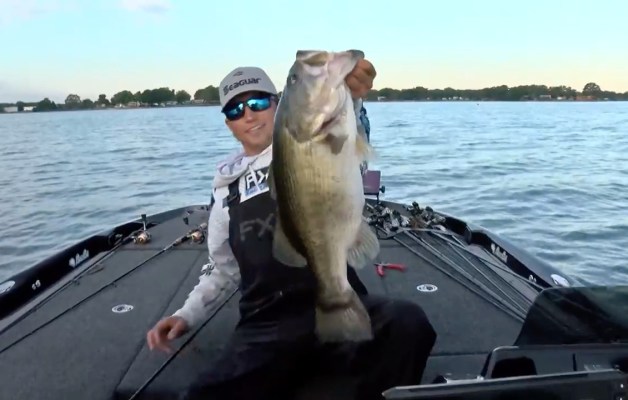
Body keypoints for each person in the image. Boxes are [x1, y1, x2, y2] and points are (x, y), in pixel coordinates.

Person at [146, 58, 437, 400]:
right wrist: (187, 315)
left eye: (257, 102)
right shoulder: (225, 190)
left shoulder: (311, 140)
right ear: (228, 124)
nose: (248, 115)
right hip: (266, 323)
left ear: (278, 104)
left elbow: (348, 135)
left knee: (407, 323)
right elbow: (222, 268)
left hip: (337, 300)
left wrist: (352, 96)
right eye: (236, 110)